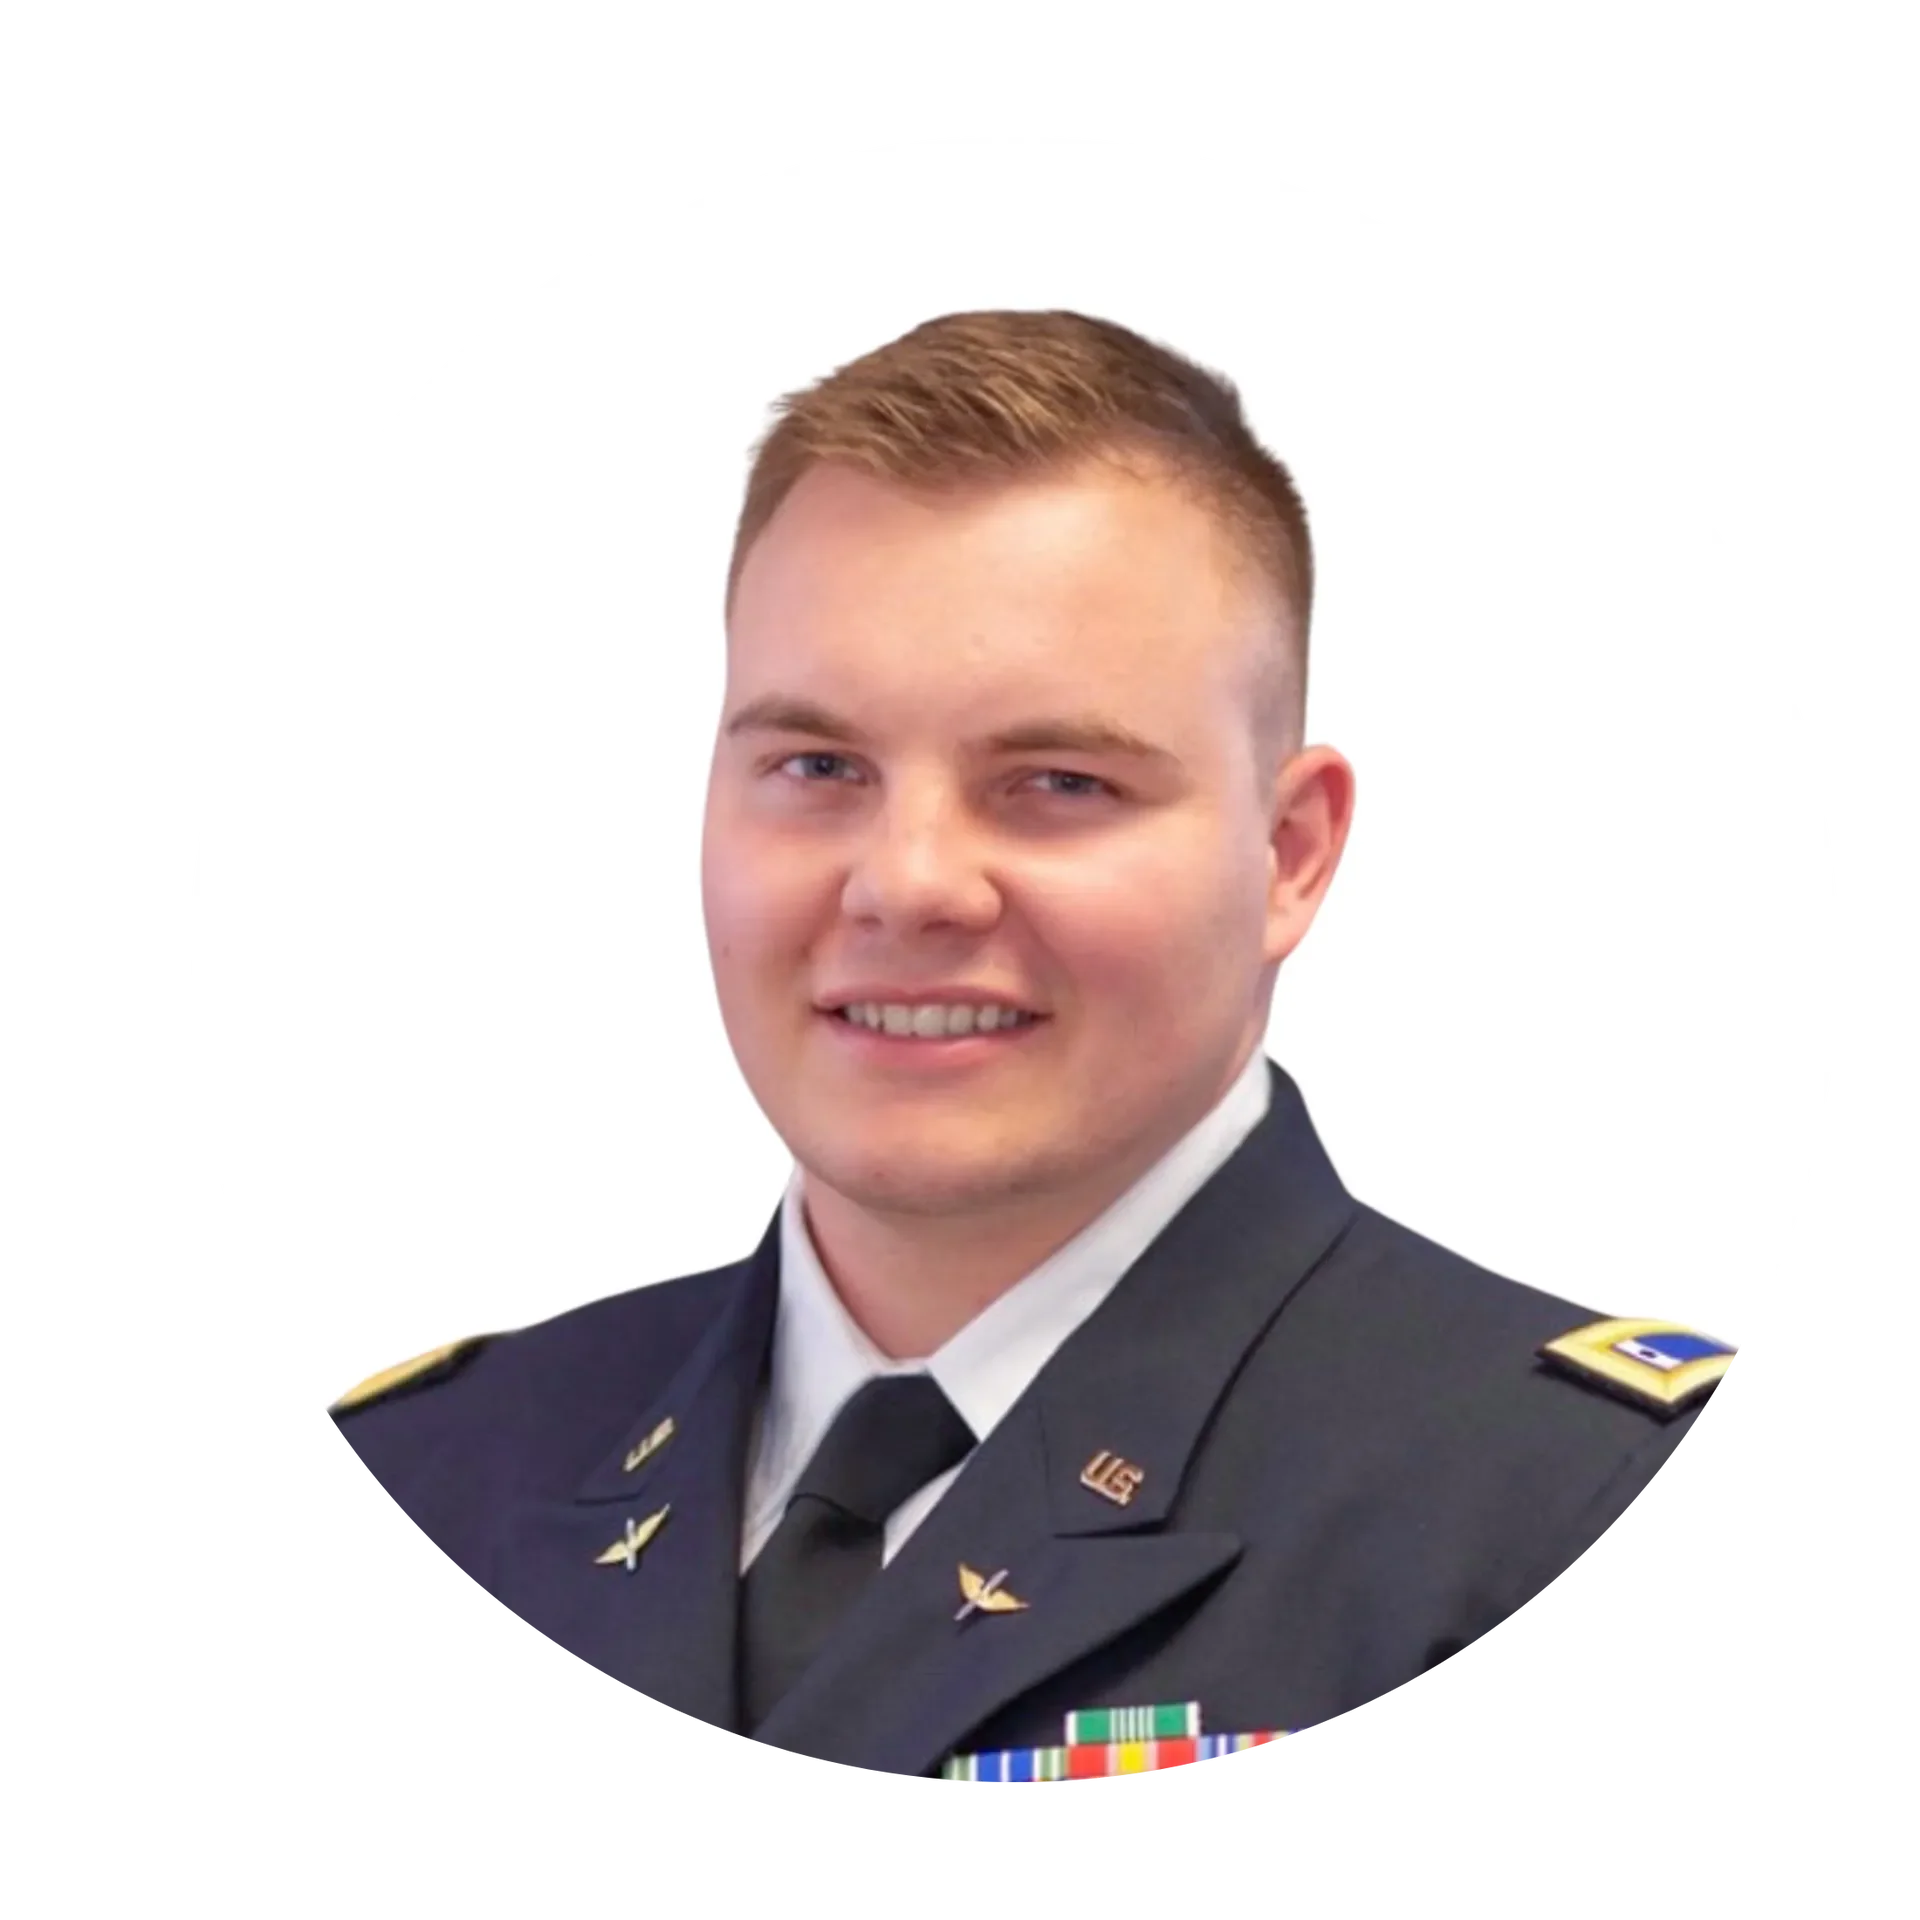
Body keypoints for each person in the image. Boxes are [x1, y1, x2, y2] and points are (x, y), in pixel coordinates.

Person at [329, 309, 1733, 1781]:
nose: (908, 882)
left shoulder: (1587, 1517)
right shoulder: (434, 1480)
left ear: (1290, 852)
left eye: (1057, 781)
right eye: (817, 767)